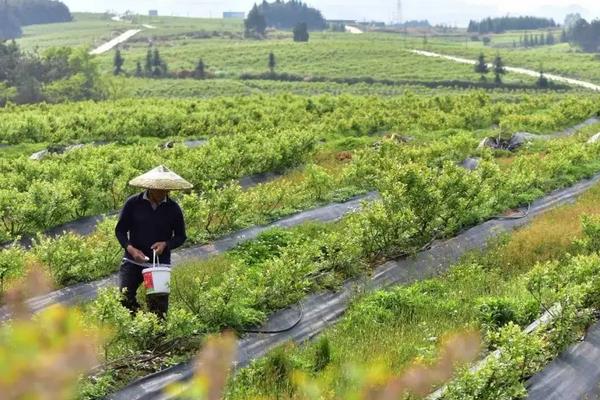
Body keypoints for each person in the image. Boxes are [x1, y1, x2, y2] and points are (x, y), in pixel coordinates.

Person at [115, 165, 193, 318]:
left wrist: (166, 244)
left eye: (166, 190)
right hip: (133, 261)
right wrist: (131, 250)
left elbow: (180, 236)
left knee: (158, 306)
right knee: (124, 297)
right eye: (159, 189)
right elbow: (120, 230)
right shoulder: (133, 203)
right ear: (150, 187)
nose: (163, 193)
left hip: (159, 265)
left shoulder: (173, 209)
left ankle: (156, 336)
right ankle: (139, 323)